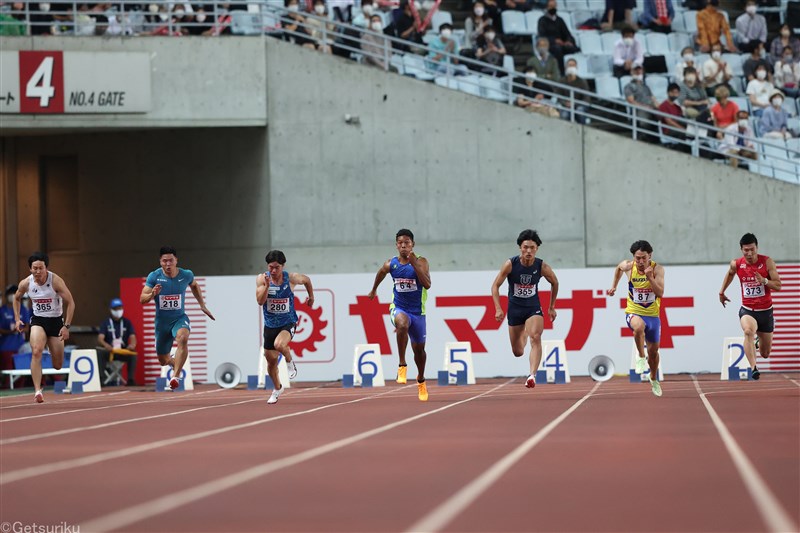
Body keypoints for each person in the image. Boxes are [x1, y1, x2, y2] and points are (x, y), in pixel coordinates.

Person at [367, 229, 432, 401]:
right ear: (396, 245)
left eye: (407, 243)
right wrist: (374, 289)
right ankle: (402, 365)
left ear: (413, 245)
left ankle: (421, 380)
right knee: (402, 324)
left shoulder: (421, 261)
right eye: (400, 243)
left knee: (419, 351)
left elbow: (427, 284)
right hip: (399, 307)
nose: (404, 246)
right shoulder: (392, 264)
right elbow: (381, 272)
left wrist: (414, 264)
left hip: (418, 312)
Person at [139, 246, 214, 391]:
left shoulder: (186, 274)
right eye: (165, 261)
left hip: (179, 318)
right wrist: (152, 294)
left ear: (176, 260)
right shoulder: (154, 276)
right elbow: (142, 299)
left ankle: (175, 376)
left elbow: (194, 285)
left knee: (183, 337)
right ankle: (174, 362)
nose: (168, 264)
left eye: (171, 260)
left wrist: (202, 305)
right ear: (160, 262)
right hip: (162, 323)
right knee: (163, 360)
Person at [491, 229, 559, 389]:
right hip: (514, 309)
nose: (528, 251)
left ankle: (532, 375)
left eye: (532, 248)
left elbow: (555, 282)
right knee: (518, 351)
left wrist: (551, 307)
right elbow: (495, 286)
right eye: (525, 247)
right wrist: (498, 308)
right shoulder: (510, 264)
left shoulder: (541, 266)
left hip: (533, 308)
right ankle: (524, 331)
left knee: (536, 337)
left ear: (537, 249)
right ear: (520, 248)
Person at [12, 252, 75, 403]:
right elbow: (16, 298)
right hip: (38, 320)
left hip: (55, 322)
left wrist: (66, 326)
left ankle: (50, 345)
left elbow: (71, 303)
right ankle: (37, 390)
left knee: (58, 365)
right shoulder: (26, 283)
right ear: (30, 269)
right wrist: (17, 319)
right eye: (35, 268)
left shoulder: (56, 281)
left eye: (41, 268)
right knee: (36, 352)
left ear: (46, 268)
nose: (38, 271)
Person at [719, 233, 782, 380]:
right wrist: (722, 292)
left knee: (765, 354)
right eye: (746, 250)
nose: (749, 253)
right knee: (748, 331)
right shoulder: (737, 263)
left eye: (752, 249)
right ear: (741, 250)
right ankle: (754, 368)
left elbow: (778, 285)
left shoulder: (767, 262)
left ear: (757, 248)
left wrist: (765, 281)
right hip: (748, 310)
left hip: (766, 312)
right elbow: (730, 274)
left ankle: (758, 341)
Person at [606, 240, 665, 397]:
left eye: (643, 258)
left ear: (650, 256)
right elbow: (619, 268)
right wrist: (614, 286)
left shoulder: (657, 269)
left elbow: (660, 293)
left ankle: (653, 378)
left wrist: (650, 277)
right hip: (633, 311)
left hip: (652, 316)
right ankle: (640, 356)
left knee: (654, 353)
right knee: (638, 327)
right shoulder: (628, 266)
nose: (640, 262)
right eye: (637, 258)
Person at [256, 250, 312, 405]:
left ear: (283, 266)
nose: (273, 271)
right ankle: (277, 388)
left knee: (279, 345)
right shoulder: (262, 279)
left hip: (288, 322)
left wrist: (311, 297)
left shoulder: (291, 278)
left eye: (277, 268)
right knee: (271, 363)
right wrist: (267, 287)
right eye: (270, 267)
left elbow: (307, 280)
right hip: (270, 326)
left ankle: (289, 361)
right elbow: (260, 302)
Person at [96, 298, 137, 386]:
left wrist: (132, 345)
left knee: (132, 354)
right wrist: (106, 345)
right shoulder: (106, 323)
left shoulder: (127, 322)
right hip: (110, 351)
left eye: (120, 308)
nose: (118, 311)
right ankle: (101, 379)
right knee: (99, 353)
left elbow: (132, 336)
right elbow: (100, 338)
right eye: (115, 309)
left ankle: (130, 379)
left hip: (122, 351)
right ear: (111, 310)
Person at [0, 284, 32, 388]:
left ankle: (19, 388)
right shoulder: (2, 311)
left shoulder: (23, 309)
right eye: (10, 293)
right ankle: (7, 388)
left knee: (21, 370)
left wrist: (19, 329)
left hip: (20, 346)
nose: (12, 295)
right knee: (8, 370)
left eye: (15, 293)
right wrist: (10, 331)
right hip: (6, 347)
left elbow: (27, 327)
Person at [537, 0, 579, 73]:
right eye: (551, 6)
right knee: (557, 50)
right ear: (547, 7)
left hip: (562, 44)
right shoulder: (542, 20)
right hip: (550, 45)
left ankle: (573, 71)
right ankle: (561, 72)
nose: (553, 8)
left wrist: (568, 41)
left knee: (574, 49)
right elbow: (542, 36)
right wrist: (554, 40)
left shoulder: (560, 20)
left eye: (554, 6)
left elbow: (567, 33)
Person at [558, 57, 590, 124]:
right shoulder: (561, 81)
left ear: (576, 67)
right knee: (564, 115)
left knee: (580, 111)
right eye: (569, 65)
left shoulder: (582, 82)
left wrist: (574, 103)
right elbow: (558, 96)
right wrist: (565, 103)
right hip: (566, 106)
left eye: (573, 65)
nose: (571, 68)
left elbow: (586, 98)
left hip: (578, 105)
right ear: (566, 67)